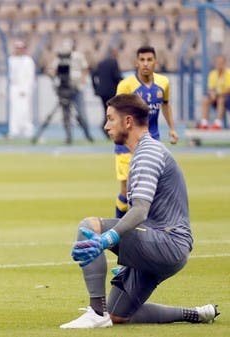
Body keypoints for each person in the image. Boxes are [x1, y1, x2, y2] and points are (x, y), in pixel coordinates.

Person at [60, 93, 219, 329]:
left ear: (128, 122)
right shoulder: (145, 151)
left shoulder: (147, 153)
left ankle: (95, 313)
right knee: (118, 314)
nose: (106, 126)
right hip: (168, 245)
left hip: (166, 242)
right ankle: (195, 314)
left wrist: (108, 238)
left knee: (88, 227)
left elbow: (140, 211)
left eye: (110, 119)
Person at [113, 45, 178, 218]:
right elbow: (116, 112)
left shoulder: (163, 83)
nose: (145, 64)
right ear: (136, 62)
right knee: (127, 192)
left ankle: (149, 231)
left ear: (155, 62)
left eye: (149, 60)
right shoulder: (126, 85)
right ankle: (117, 233)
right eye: (142, 60)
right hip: (127, 146)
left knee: (151, 190)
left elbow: (165, 104)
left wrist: (172, 129)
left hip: (151, 143)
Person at [49, 38, 93, 144]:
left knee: (81, 113)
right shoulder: (60, 58)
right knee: (66, 114)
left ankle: (88, 135)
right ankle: (69, 137)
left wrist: (82, 81)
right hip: (65, 89)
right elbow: (53, 70)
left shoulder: (78, 56)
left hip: (77, 88)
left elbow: (85, 69)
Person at [7, 40, 36, 139]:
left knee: (26, 109)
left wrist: (26, 89)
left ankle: (27, 129)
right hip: (14, 87)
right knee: (14, 109)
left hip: (24, 88)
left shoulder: (28, 60)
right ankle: (14, 130)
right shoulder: (11, 59)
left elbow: (30, 77)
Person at [92, 47, 123, 138]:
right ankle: (106, 127)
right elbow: (116, 76)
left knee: (107, 111)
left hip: (102, 92)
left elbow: (93, 75)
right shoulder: (114, 62)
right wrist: (124, 83)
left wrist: (96, 88)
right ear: (114, 53)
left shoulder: (101, 63)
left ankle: (107, 129)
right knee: (113, 111)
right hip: (111, 92)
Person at [197, 54, 230, 130]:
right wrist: (212, 94)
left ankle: (218, 123)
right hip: (216, 96)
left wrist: (218, 94)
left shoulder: (229, 74)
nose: (219, 65)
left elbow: (228, 89)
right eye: (217, 63)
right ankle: (204, 123)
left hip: (227, 98)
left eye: (221, 63)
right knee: (205, 99)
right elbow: (211, 88)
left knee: (221, 99)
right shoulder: (212, 74)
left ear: (224, 63)